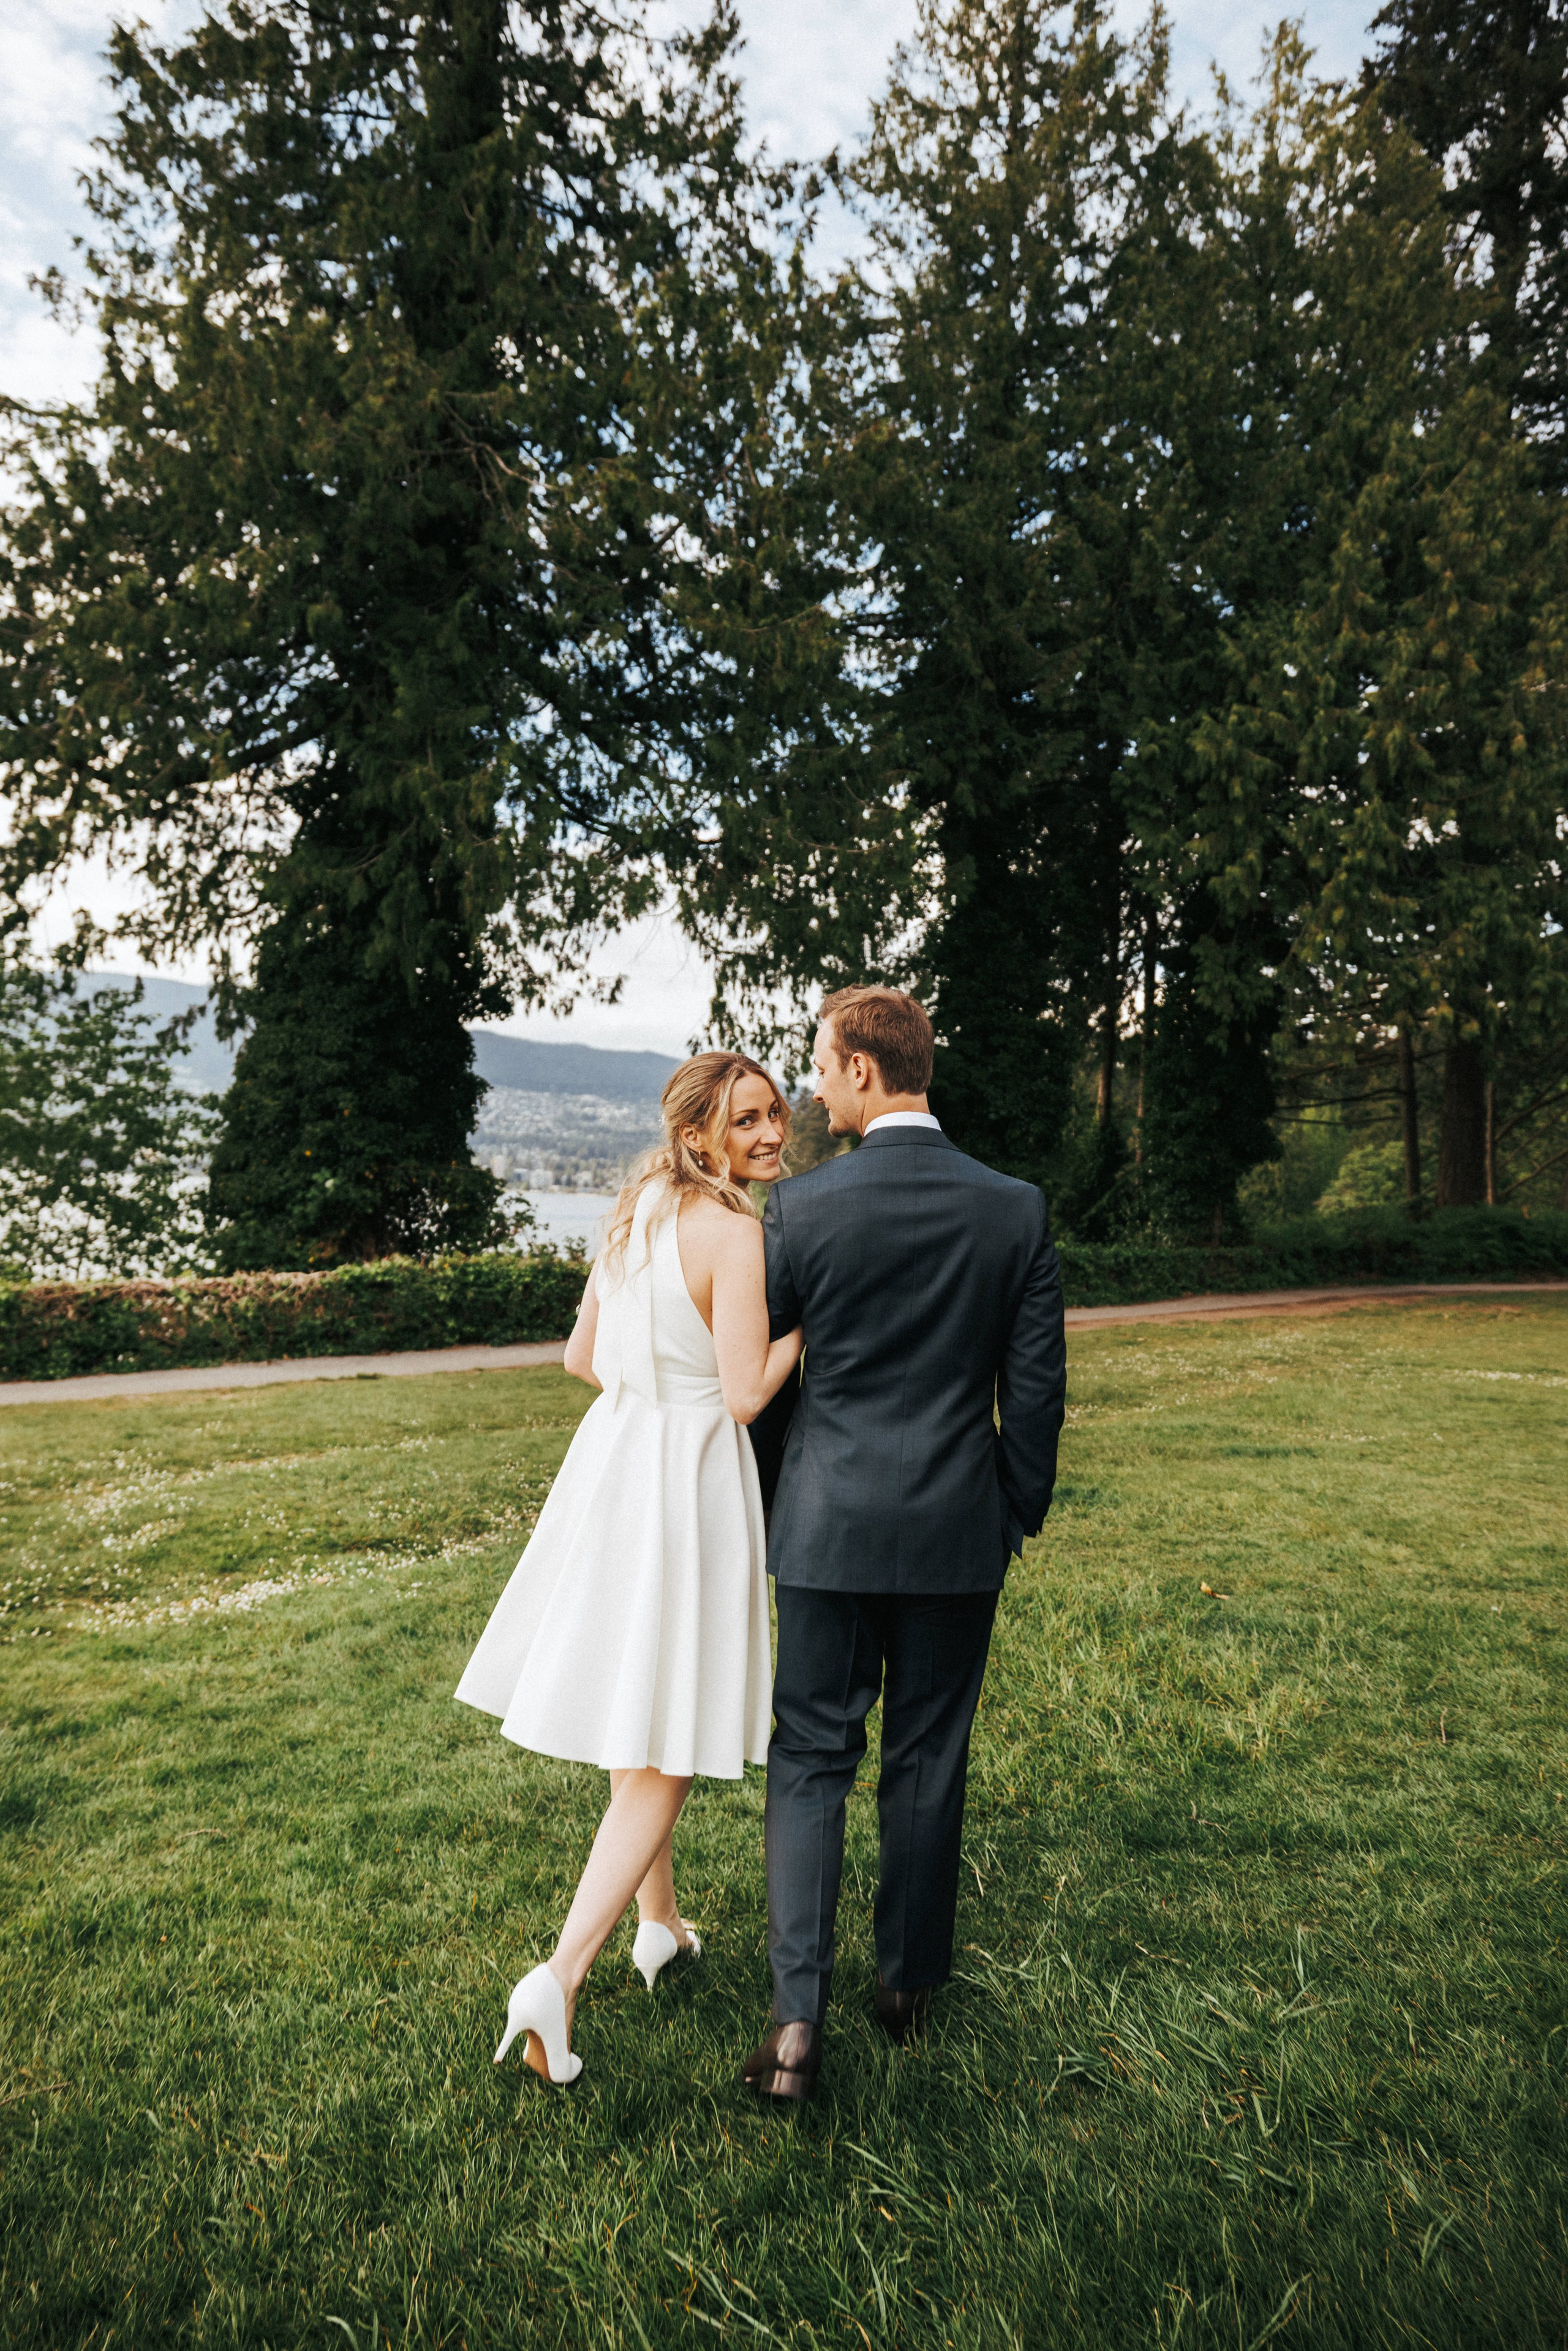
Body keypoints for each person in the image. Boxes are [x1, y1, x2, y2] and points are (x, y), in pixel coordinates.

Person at [742, 986, 1067, 2103]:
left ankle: (795, 2023)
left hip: (825, 1528)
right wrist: (1015, 1506)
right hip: (954, 1530)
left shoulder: (803, 1214)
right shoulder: (1014, 1209)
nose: (816, 1089)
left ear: (867, 1071)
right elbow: (1034, 1392)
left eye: (823, 1067)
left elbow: (777, 1393)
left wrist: (786, 1507)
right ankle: (907, 1985)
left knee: (811, 1759)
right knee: (928, 1753)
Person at [455, 1052, 802, 2088]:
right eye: (747, 1121)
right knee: (671, 1744)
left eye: (777, 1111)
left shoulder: (638, 1206)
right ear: (701, 1137)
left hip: (612, 1467)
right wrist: (806, 1329)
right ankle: (561, 1973)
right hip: (690, 1477)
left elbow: (580, 1359)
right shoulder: (733, 1228)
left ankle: (661, 1925)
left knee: (633, 1704)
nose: (772, 1132)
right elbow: (745, 1394)